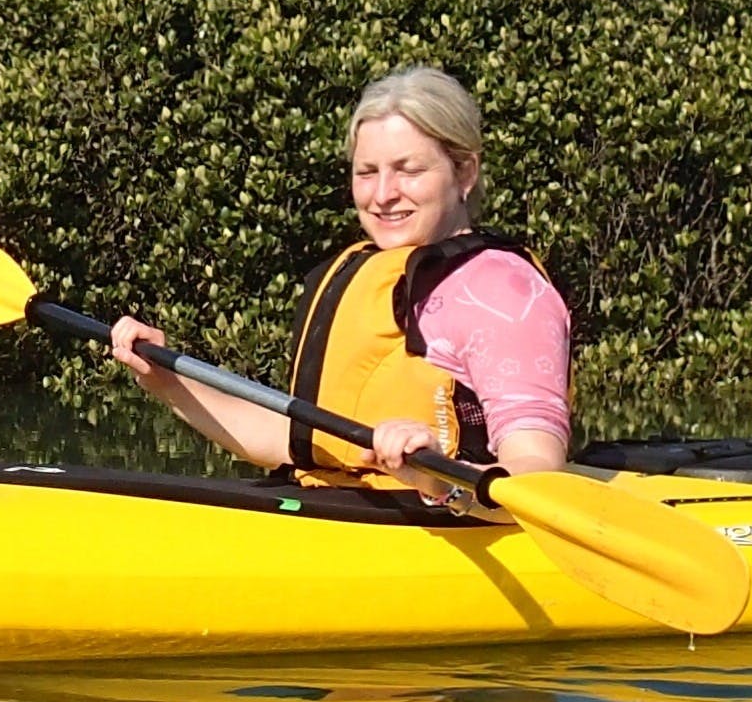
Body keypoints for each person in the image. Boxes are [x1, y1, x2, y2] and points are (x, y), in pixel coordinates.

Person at [109, 65, 573, 493]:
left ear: (464, 171)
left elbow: (535, 468)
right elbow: (286, 439)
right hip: (341, 509)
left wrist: (434, 474)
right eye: (367, 173)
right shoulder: (362, 275)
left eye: (409, 171)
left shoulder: (504, 291)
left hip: (453, 532)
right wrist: (166, 379)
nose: (384, 195)